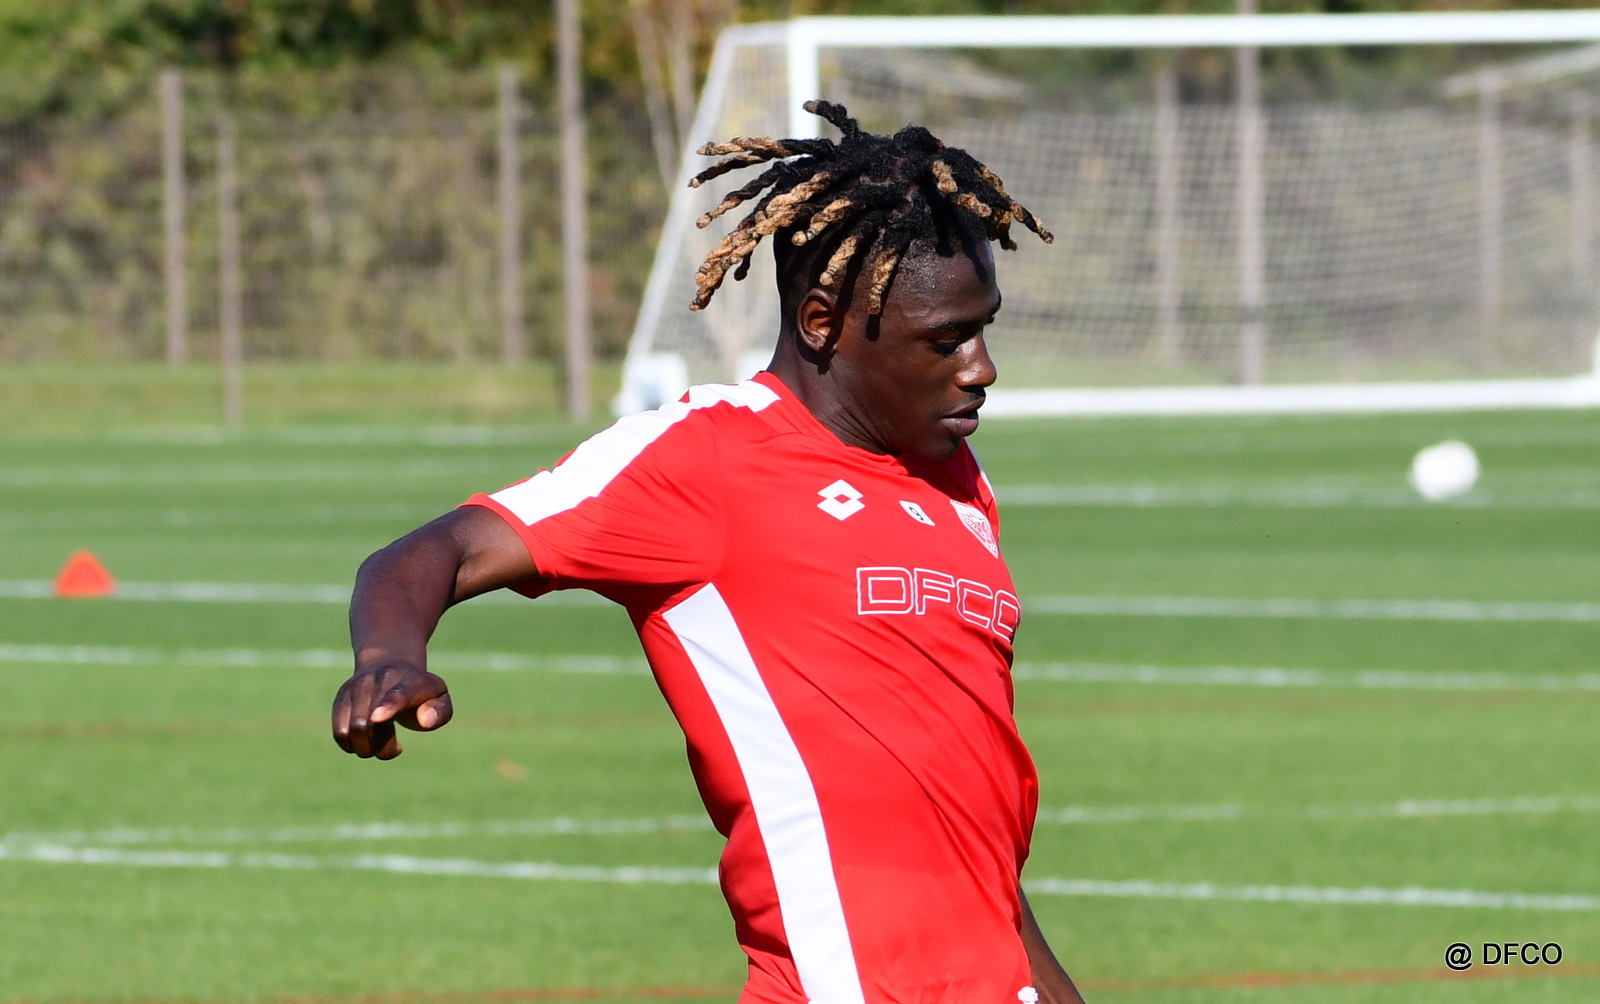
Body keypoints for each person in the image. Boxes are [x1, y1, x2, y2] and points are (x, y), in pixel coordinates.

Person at [332, 100, 1087, 1004]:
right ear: (822, 322)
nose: (981, 367)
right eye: (947, 339)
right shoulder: (709, 456)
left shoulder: (960, 485)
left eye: (984, 327)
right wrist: (387, 657)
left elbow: (973, 835)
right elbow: (442, 549)